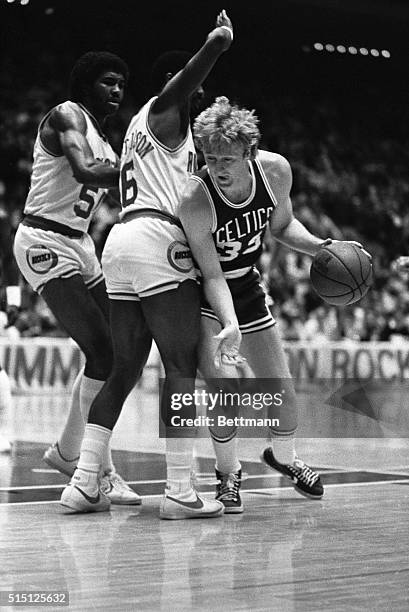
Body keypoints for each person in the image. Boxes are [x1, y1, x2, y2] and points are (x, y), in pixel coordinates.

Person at [61, 11, 241, 518]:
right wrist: (216, 44)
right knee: (180, 367)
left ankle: (83, 483)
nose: (201, 98)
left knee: (123, 370)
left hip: (121, 242)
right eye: (195, 90)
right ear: (174, 84)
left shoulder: (149, 133)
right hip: (157, 242)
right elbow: (186, 83)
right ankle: (180, 490)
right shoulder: (163, 109)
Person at [179, 96, 370, 513]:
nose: (218, 167)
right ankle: (228, 475)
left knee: (280, 391)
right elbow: (212, 275)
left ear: (249, 152)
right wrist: (229, 325)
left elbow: (282, 226)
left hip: (246, 285)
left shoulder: (276, 171)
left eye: (227, 158)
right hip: (205, 293)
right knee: (223, 390)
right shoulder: (196, 198)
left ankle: (284, 458)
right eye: (210, 158)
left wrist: (324, 246)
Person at [13, 52, 140, 504]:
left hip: (82, 244)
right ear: (86, 84)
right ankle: (94, 467)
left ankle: (71, 452)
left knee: (122, 352)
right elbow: (85, 170)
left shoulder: (107, 138)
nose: (117, 90)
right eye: (108, 81)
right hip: (44, 239)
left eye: (122, 83)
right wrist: (140, 168)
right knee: (103, 351)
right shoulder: (68, 115)